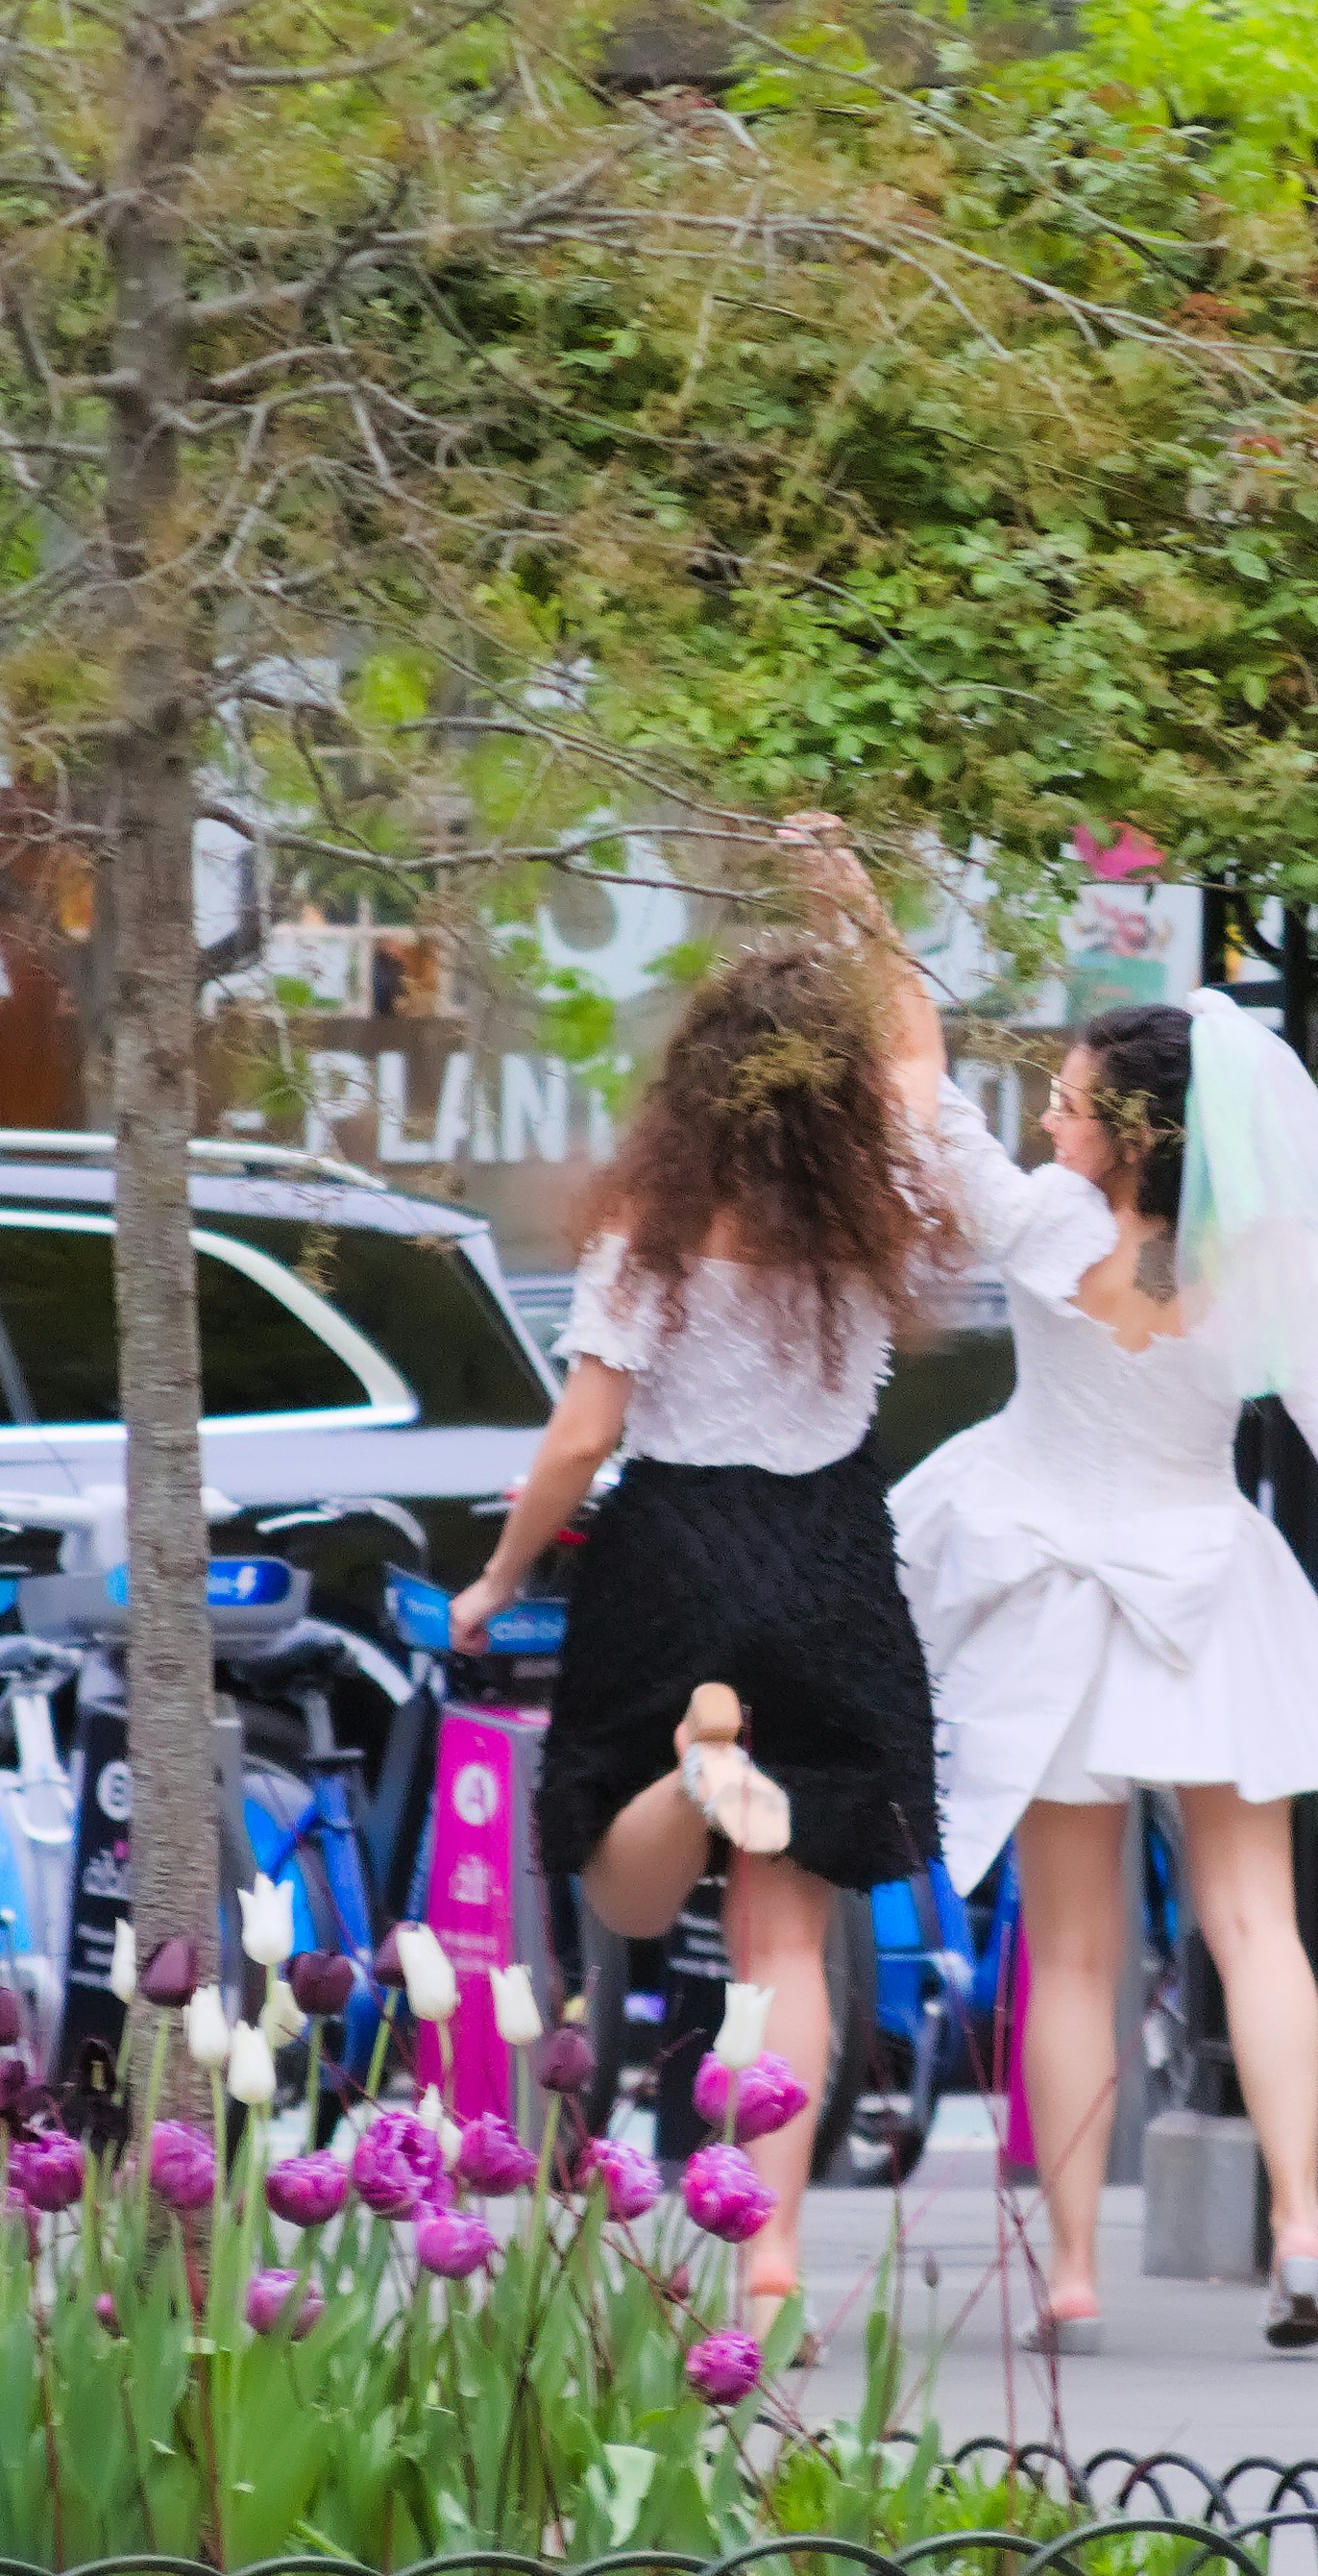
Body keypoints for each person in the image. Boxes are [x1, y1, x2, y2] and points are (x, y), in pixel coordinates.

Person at [889, 996, 1318, 2352]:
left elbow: (921, 1087)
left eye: (1065, 1098)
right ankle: (1296, 2223)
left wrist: (864, 924)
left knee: (1072, 1952)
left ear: (1126, 1130)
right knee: (1251, 1923)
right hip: (1205, 1592)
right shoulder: (1252, 1270)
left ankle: (1072, 2275)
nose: (1046, 1115)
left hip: (1048, 1592)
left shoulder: (1047, 1226)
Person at [448, 827, 945, 2339]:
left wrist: (494, 1577)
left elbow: (583, 1432)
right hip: (828, 1552)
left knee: (620, 1872)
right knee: (787, 1943)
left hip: (673, 1552)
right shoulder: (884, 1203)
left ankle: (690, 1770)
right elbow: (914, 1036)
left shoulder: (647, 1237)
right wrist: (853, 903)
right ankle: (774, 2244)